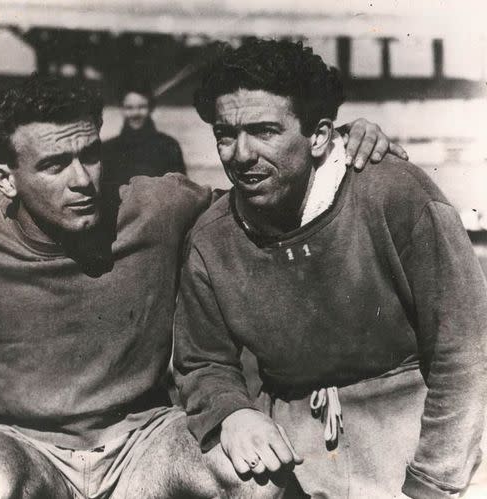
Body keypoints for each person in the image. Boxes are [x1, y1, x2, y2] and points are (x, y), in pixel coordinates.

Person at [0, 73, 399, 499]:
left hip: (145, 439)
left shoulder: (156, 206)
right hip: (19, 443)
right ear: (4, 180)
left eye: (90, 154)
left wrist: (332, 151)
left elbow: (265, 202)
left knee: (255, 476)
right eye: (55, 164)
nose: (83, 179)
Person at [173, 39, 487, 499]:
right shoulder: (213, 237)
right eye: (225, 134)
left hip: (424, 438)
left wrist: (433, 483)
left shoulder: (397, 196)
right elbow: (203, 361)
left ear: (319, 136)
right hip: (296, 457)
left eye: (264, 131)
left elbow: (467, 355)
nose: (240, 154)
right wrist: (230, 412)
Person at [101, 81, 186, 186]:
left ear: (151, 108)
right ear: (121, 108)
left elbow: (181, 191)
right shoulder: (108, 150)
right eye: (129, 108)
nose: (135, 113)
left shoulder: (169, 146)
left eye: (142, 107)